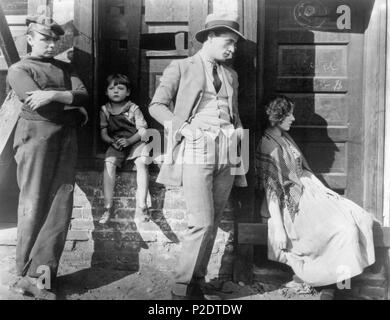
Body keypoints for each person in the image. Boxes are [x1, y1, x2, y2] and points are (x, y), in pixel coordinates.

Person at [149, 13, 247, 300]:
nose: (233, 49)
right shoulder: (181, 67)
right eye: (229, 42)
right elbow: (156, 106)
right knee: (201, 221)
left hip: (227, 151)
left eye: (236, 45)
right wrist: (185, 128)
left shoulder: (231, 75)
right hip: (196, 149)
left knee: (213, 221)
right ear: (211, 37)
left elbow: (233, 113)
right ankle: (180, 289)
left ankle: (196, 284)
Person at [256, 95, 376, 300]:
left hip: (312, 192)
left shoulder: (284, 137)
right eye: (288, 114)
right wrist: (278, 227)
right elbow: (272, 190)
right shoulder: (269, 145)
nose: (293, 118)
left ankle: (337, 284)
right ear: (276, 116)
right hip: (293, 202)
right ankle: (338, 286)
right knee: (342, 229)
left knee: (360, 217)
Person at [6, 15, 89, 299]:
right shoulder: (19, 69)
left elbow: (82, 95)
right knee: (34, 204)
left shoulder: (66, 67)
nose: (52, 45)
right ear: (30, 39)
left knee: (60, 207)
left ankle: (41, 279)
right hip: (35, 140)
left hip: (65, 140)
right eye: (45, 39)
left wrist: (54, 95)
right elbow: (36, 104)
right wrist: (69, 105)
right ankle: (22, 275)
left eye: (56, 40)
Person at [98, 74, 150, 224]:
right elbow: (103, 133)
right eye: (112, 88)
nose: (116, 91)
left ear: (127, 92)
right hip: (117, 143)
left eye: (120, 88)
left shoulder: (133, 108)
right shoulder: (104, 110)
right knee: (109, 163)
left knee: (142, 162)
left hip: (135, 141)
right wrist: (111, 141)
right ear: (106, 92)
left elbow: (143, 131)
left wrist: (129, 140)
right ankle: (107, 206)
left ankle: (142, 205)